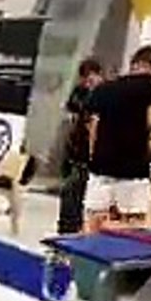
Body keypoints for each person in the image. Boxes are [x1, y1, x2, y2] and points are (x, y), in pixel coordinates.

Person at [83, 46, 151, 232]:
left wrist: (93, 155)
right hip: (133, 168)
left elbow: (93, 126)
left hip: (101, 166)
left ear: (133, 63)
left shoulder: (105, 88)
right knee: (132, 224)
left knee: (93, 220)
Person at [58, 59, 104, 234]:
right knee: (69, 192)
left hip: (89, 155)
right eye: (85, 79)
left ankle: (74, 229)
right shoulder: (79, 92)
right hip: (74, 149)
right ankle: (66, 229)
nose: (87, 82)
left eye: (91, 78)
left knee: (78, 193)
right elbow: (71, 111)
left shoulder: (103, 94)